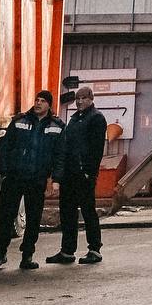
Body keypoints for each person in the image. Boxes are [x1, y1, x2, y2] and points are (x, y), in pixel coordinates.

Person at [0, 89, 63, 270]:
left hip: (36, 179)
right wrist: (5, 171)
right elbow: (6, 147)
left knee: (33, 218)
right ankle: (0, 254)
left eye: (43, 101)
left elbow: (60, 155)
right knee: (6, 215)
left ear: (49, 105)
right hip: (15, 177)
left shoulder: (57, 126)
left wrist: (55, 179)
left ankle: (27, 256)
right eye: (37, 100)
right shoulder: (20, 121)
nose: (38, 103)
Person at [48, 84, 108, 264]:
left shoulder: (96, 118)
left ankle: (95, 249)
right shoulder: (74, 119)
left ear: (91, 99)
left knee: (88, 211)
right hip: (69, 174)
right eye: (77, 99)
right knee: (67, 212)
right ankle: (67, 251)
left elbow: (97, 149)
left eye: (83, 98)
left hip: (84, 174)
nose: (80, 102)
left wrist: (90, 172)